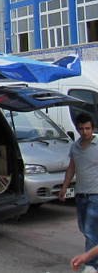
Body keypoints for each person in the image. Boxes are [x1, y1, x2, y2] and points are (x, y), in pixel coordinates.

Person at [60, 113, 98, 272]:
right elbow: (71, 168)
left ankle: (91, 266)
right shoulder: (75, 146)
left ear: (93, 128)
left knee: (90, 230)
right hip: (81, 193)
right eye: (81, 129)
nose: (85, 132)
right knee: (85, 229)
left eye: (87, 128)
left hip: (96, 194)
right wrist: (64, 187)